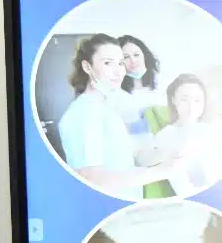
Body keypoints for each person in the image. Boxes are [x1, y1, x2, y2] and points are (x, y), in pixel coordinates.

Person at [55, 34, 179, 197]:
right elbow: (91, 178)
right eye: (107, 63)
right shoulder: (84, 112)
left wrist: (168, 155)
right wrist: (159, 172)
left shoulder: (107, 107)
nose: (118, 71)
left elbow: (123, 158)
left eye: (120, 63)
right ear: (87, 67)